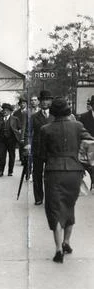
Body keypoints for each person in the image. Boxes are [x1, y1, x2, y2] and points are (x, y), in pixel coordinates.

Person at [39, 98, 94, 263]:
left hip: (53, 172)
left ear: (53, 112)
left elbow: (42, 155)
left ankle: (57, 250)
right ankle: (67, 242)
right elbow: (90, 141)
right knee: (69, 207)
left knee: (55, 209)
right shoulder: (77, 126)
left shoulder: (45, 129)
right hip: (73, 172)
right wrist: (84, 161)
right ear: (68, 111)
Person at [24, 90, 53, 205]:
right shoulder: (34, 117)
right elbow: (28, 132)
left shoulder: (55, 116)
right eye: (43, 100)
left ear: (50, 101)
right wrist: (28, 144)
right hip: (37, 149)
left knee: (50, 174)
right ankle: (38, 197)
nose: (45, 102)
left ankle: (50, 197)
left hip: (51, 150)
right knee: (37, 174)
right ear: (40, 102)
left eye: (47, 99)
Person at [0, 103, 21, 177]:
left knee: (12, 156)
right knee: (1, 156)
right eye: (3, 110)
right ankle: (0, 171)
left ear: (10, 111)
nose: (4, 111)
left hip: (11, 140)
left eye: (6, 110)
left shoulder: (15, 119)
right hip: (1, 141)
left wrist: (18, 138)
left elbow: (19, 128)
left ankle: (10, 171)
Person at [13, 97, 28, 164]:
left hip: (27, 131)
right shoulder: (16, 113)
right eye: (21, 103)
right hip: (19, 130)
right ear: (19, 104)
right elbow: (14, 122)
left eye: (24, 103)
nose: (22, 105)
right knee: (21, 145)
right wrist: (17, 129)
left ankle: (25, 158)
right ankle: (22, 158)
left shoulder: (29, 112)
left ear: (26, 104)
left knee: (26, 144)